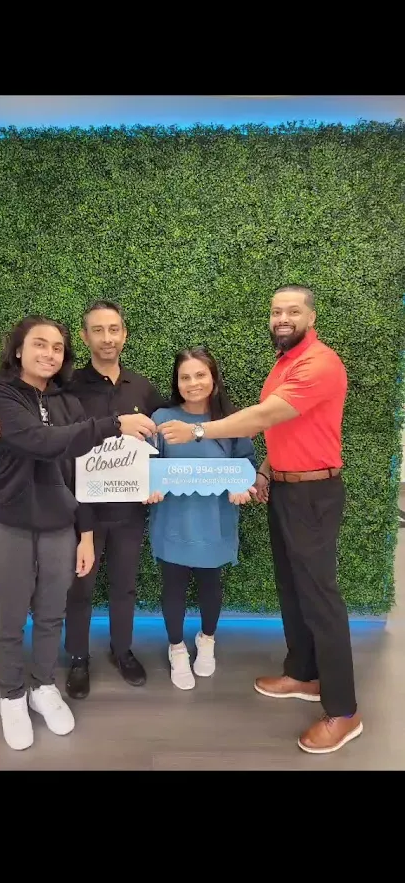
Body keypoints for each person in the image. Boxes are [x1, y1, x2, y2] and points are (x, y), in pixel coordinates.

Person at [158, 285, 362, 754]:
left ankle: (344, 711)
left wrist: (198, 430)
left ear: (311, 317)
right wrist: (267, 470)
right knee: (292, 588)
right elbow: (284, 429)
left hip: (313, 492)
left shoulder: (319, 363)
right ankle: (303, 674)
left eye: (293, 311)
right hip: (286, 486)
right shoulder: (284, 363)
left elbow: (265, 416)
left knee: (320, 598)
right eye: (276, 311)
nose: (282, 318)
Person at [0, 301, 166, 700]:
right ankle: (75, 660)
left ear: (125, 334)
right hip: (74, 511)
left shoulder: (137, 388)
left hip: (122, 509)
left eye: (114, 329)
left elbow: (160, 435)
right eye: (98, 330)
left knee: (117, 588)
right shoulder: (63, 388)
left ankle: (119, 652)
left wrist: (158, 478)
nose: (107, 338)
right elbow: (45, 440)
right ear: (85, 337)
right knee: (72, 592)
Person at [144, 347, 257, 690]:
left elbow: (247, 464)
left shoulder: (231, 421)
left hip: (215, 521)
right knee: (173, 588)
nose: (193, 383)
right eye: (185, 377)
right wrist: (149, 485)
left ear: (214, 378)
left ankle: (207, 639)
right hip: (173, 521)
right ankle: (176, 648)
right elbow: (147, 463)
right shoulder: (161, 418)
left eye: (200, 375)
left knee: (211, 586)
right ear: (176, 382)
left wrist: (243, 485)